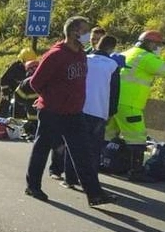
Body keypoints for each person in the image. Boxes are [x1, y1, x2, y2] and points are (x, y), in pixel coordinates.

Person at [24, 15, 116, 207]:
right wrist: (52, 98)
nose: (87, 35)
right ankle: (33, 186)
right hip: (53, 111)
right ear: (74, 32)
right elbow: (35, 82)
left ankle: (95, 194)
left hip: (74, 113)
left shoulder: (81, 53)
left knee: (83, 153)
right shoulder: (55, 55)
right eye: (84, 31)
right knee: (42, 148)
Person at [58, 34, 121, 189]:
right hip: (99, 111)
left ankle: (70, 179)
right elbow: (114, 92)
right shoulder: (113, 65)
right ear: (112, 48)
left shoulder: (84, 59)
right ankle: (90, 181)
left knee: (74, 145)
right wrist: (111, 111)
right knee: (93, 148)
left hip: (78, 108)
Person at [105, 29, 165, 181]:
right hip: (130, 104)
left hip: (113, 101)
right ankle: (136, 172)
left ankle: (104, 162)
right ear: (150, 43)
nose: (160, 48)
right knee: (137, 137)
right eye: (159, 45)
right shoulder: (146, 57)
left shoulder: (127, 52)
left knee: (108, 134)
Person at [0, 47, 39, 117]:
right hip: (12, 93)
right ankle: (2, 120)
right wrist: (5, 93)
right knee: (5, 103)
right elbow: (4, 80)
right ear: (22, 61)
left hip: (26, 97)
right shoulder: (15, 68)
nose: (32, 68)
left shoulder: (35, 70)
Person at [13, 60, 40, 136]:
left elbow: (18, 97)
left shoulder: (25, 83)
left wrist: (27, 102)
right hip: (46, 115)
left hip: (32, 116)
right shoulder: (46, 79)